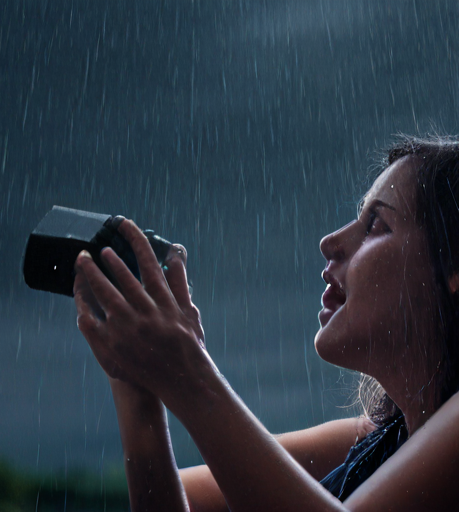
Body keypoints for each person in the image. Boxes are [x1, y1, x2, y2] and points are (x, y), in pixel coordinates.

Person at [73, 136, 459, 511]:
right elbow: (175, 495)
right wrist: (139, 394)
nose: (330, 241)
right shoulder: (371, 444)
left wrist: (191, 375)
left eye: (376, 224)